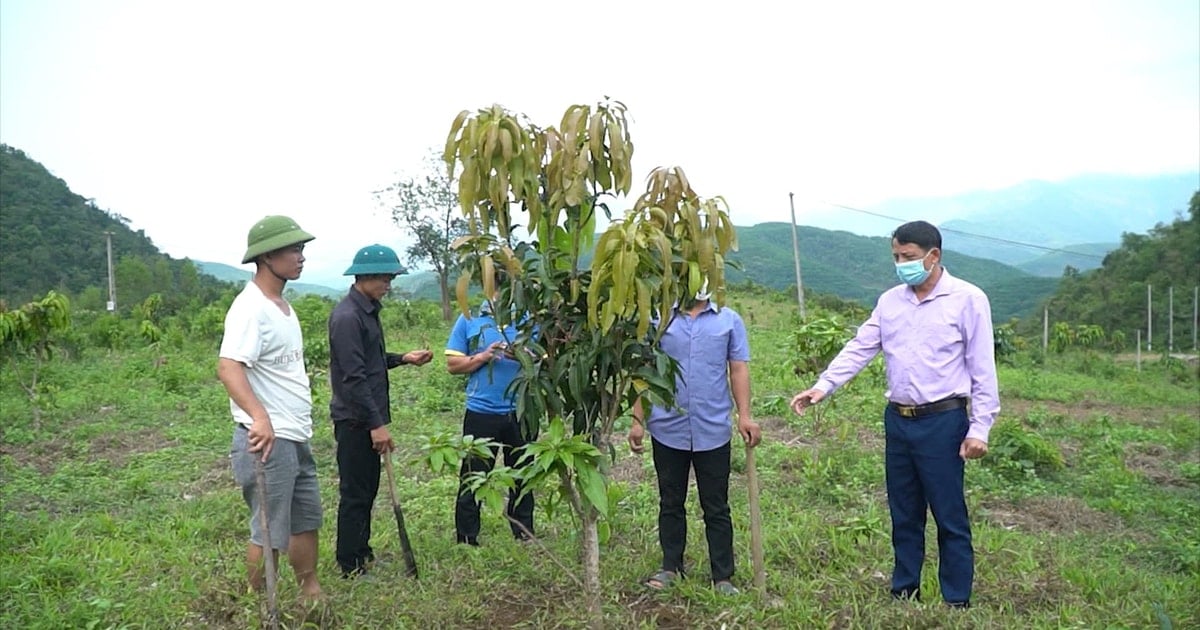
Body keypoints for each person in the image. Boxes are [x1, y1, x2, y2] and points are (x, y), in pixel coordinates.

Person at [789, 220, 999, 609]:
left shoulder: (968, 300)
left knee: (948, 513)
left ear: (933, 256)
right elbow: (860, 347)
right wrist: (823, 386)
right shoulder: (891, 302)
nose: (901, 264)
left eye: (909, 257)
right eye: (896, 257)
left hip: (943, 421)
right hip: (898, 420)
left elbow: (982, 367)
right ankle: (905, 590)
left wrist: (980, 428)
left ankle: (956, 599)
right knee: (904, 511)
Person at [627, 280, 762, 595]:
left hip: (712, 428)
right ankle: (670, 567)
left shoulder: (729, 319)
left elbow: (738, 369)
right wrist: (637, 420)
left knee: (716, 505)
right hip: (666, 426)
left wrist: (744, 415)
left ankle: (723, 577)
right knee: (670, 500)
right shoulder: (660, 319)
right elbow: (645, 371)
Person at [218, 215, 322, 601]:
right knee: (269, 529)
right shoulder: (250, 308)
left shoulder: (282, 307)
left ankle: (309, 589)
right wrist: (260, 417)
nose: (301, 257)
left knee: (305, 519)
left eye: (302, 250)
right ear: (266, 257)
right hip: (268, 440)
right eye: (293, 250)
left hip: (295, 434)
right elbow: (229, 367)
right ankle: (261, 603)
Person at [328, 244, 433, 578]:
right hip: (356, 421)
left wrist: (403, 358)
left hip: (367, 419)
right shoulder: (347, 317)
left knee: (368, 489)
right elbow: (354, 378)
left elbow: (371, 362)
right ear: (366, 277)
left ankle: (363, 551)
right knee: (356, 494)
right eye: (385, 277)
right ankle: (350, 564)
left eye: (390, 276)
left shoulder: (368, 311)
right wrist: (377, 425)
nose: (389, 283)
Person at [444, 287, 534, 545]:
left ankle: (524, 533)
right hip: (482, 412)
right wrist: (485, 356)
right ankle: (467, 538)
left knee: (523, 472)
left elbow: (547, 357)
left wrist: (524, 354)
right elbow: (453, 364)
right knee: (473, 475)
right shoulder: (470, 319)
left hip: (522, 410)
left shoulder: (529, 319)